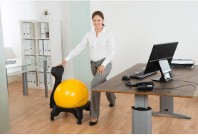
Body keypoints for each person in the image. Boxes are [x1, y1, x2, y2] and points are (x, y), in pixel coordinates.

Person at [57, 11, 116, 126]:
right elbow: (79, 47)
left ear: (103, 20)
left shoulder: (108, 34)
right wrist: (66, 59)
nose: (96, 22)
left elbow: (112, 51)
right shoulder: (89, 34)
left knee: (94, 85)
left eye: (99, 20)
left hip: (105, 64)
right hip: (93, 65)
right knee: (101, 83)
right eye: (94, 20)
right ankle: (112, 99)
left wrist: (103, 64)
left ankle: (94, 115)